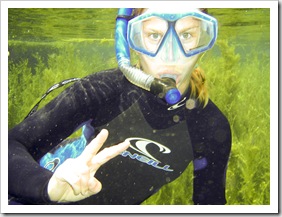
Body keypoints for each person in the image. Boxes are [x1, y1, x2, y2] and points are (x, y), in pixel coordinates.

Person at [8, 7, 232, 205]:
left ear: (203, 38)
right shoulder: (103, 91)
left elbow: (210, 204)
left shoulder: (210, 127)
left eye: (186, 34)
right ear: (132, 41)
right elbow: (10, 145)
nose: (170, 55)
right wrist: (48, 187)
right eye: (154, 35)